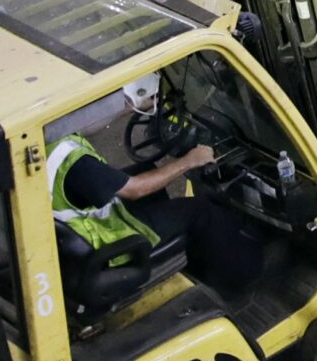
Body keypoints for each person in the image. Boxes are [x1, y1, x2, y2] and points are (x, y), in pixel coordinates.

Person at [47, 80, 265, 301]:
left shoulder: (47, 141)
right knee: (199, 211)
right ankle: (249, 276)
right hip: (112, 239)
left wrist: (132, 105)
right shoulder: (76, 163)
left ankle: (190, 244)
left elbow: (84, 127)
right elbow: (135, 190)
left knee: (145, 168)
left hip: (90, 224)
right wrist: (189, 161)